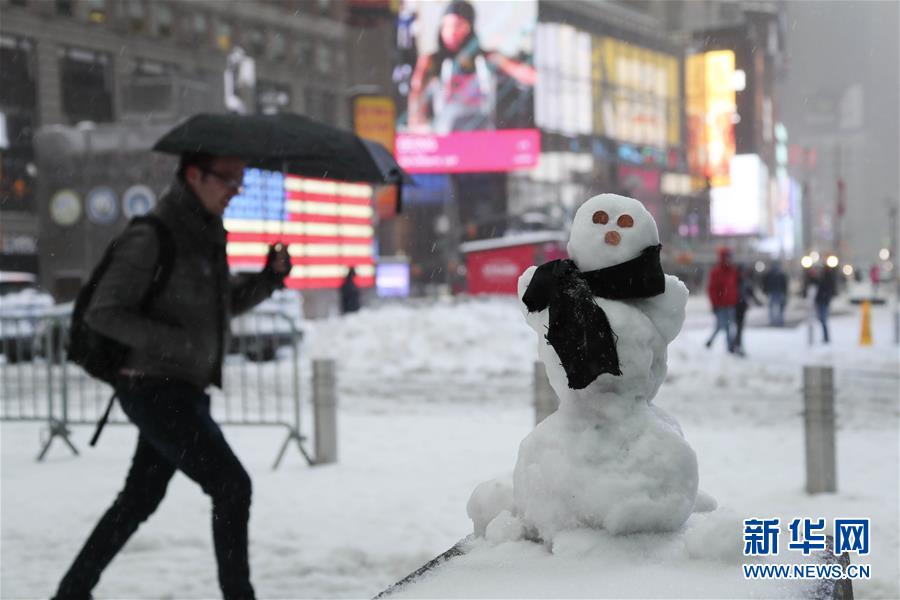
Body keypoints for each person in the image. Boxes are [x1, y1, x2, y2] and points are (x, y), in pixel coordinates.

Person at [53, 153, 292, 600]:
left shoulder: (204, 237)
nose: (235, 189)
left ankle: (71, 592)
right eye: (228, 179)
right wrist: (173, 341)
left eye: (239, 181)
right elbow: (104, 311)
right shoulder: (153, 235)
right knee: (232, 487)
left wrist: (269, 278)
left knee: (139, 500)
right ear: (194, 174)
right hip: (152, 387)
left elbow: (218, 309)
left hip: (180, 388)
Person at [406, 0, 536, 134]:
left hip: (481, 132)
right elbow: (416, 92)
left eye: (457, 25)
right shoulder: (431, 61)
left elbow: (524, 73)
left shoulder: (486, 58)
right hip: (445, 134)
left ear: (469, 27)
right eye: (446, 25)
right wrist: (416, 123)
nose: (451, 32)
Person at [705, 247, 739, 352]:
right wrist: (715, 304)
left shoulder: (733, 271)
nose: (730, 259)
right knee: (724, 326)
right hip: (721, 305)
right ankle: (728, 346)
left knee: (725, 326)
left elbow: (735, 286)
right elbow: (712, 289)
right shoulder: (716, 272)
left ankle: (715, 343)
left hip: (731, 304)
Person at [733, 264, 764, 356]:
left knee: (739, 328)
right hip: (735, 306)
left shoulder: (745, 281)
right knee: (734, 328)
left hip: (741, 307)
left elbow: (751, 293)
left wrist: (758, 302)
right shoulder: (736, 280)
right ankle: (735, 345)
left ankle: (737, 345)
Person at [805, 264, 838, 343]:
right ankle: (825, 337)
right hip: (821, 300)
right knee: (821, 319)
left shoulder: (826, 278)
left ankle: (826, 337)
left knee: (823, 319)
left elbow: (828, 289)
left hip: (823, 300)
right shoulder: (821, 278)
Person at [762, 262, 789, 326]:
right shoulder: (780, 274)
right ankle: (779, 321)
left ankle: (773, 321)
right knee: (780, 308)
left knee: (772, 308)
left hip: (773, 292)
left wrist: (766, 291)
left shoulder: (770, 274)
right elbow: (784, 284)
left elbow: (765, 283)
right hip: (778, 291)